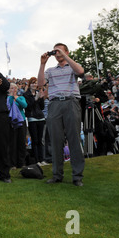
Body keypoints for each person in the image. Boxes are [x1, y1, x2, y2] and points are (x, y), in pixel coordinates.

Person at [38, 43, 85, 186]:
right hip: (54, 104)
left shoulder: (72, 66)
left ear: (66, 52)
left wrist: (65, 56)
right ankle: (57, 174)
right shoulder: (51, 70)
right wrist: (42, 64)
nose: (57, 53)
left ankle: (77, 176)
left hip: (71, 102)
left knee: (74, 140)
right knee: (56, 140)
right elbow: (40, 84)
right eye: (55, 51)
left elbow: (81, 72)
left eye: (59, 51)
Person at [23, 77, 46, 165]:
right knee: (35, 140)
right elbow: (28, 107)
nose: (34, 84)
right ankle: (36, 160)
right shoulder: (26, 94)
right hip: (32, 118)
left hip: (40, 117)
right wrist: (35, 99)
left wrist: (41, 99)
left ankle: (42, 159)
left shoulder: (38, 92)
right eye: (32, 83)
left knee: (40, 140)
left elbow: (42, 107)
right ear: (29, 84)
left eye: (35, 83)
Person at [7, 82, 28, 169]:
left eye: (15, 88)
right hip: (12, 122)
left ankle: (22, 163)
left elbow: (25, 105)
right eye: (11, 88)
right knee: (13, 143)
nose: (13, 90)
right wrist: (12, 97)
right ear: (8, 90)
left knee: (21, 142)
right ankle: (13, 163)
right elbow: (8, 106)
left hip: (21, 121)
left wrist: (16, 98)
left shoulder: (21, 97)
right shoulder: (7, 98)